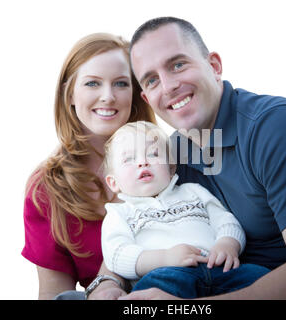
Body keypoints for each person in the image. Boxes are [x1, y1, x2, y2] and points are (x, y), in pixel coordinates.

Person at [117, 17, 286, 299]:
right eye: (152, 80)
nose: (168, 85)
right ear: (147, 98)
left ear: (214, 66)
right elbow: (130, 216)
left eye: (178, 65)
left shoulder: (280, 130)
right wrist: (107, 281)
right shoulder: (170, 155)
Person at [21, 33, 156, 300]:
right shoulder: (47, 188)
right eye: (93, 83)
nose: (108, 96)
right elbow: (54, 293)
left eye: (120, 83)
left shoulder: (167, 160)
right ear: (69, 94)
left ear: (135, 94)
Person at [101, 121, 269, 298]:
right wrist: (165, 258)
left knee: (261, 277)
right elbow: (117, 255)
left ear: (171, 168)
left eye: (153, 154)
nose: (143, 162)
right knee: (145, 295)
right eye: (129, 159)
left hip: (218, 266)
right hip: (165, 275)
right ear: (114, 182)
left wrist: (228, 243)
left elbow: (225, 220)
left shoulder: (193, 191)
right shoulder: (119, 213)